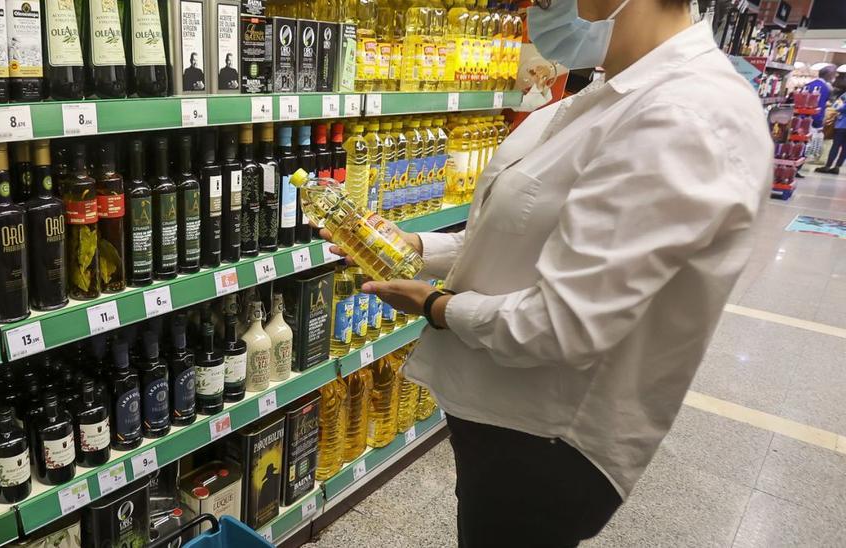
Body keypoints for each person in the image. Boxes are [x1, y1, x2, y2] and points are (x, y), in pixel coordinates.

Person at [318, 1, 770, 546]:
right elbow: (524, 232)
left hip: (549, 439)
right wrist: (415, 244)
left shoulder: (685, 115)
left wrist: (436, 306)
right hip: (505, 413)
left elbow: (563, 325)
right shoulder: (611, 92)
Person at [815, 93, 846, 174]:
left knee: (835, 146)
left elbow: (840, 108)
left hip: (842, 126)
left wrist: (838, 107)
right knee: (844, 149)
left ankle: (827, 166)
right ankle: (837, 167)